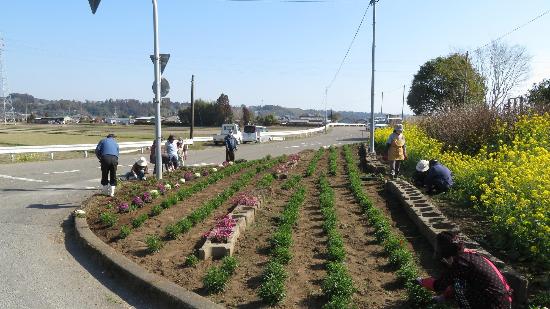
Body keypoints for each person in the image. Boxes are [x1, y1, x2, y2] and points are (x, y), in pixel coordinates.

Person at [417, 231, 512, 309]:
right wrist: (443, 297)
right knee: (459, 282)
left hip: (494, 304)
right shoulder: (471, 255)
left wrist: (421, 281)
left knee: (459, 284)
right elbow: (455, 281)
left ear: (445, 254)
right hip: (504, 300)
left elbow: (438, 285)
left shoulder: (460, 263)